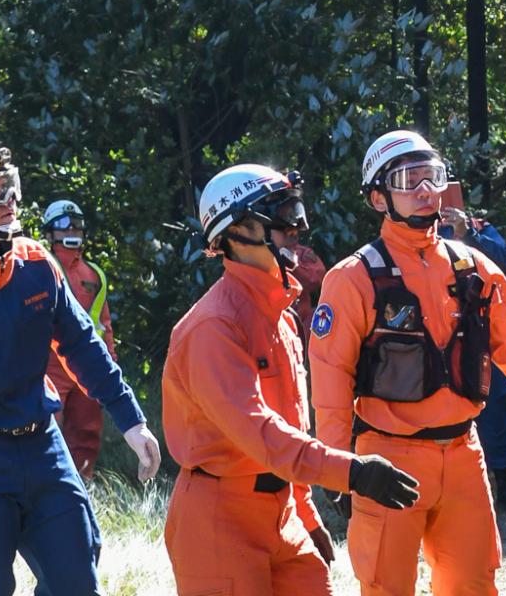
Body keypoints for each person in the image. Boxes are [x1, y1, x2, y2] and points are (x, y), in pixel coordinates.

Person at [309, 128, 506, 596]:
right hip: (387, 456)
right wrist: (339, 470)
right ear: (379, 198)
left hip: (463, 455)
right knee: (385, 586)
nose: (423, 190)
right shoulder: (352, 279)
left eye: (431, 177)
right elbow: (330, 383)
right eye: (407, 179)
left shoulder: (474, 268)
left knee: (474, 586)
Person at [161, 162, 419, 596]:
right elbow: (261, 433)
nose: (296, 229)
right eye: (282, 217)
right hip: (218, 524)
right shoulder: (213, 328)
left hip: (283, 516)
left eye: (295, 212)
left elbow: (292, 427)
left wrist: (304, 510)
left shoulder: (280, 317)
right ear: (238, 231)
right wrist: (351, 472)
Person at [0, 134, 161, 595]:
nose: (11, 200)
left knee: (78, 584)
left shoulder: (37, 261)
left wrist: (131, 419)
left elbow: (83, 343)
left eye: (11, 184)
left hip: (44, 447)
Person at [437, 199, 506, 513]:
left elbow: (504, 260)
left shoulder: (477, 226)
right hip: (439, 339)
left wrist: (468, 234)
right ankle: (453, 497)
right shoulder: (415, 232)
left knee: (496, 414)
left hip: (480, 335)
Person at [41, 198, 116, 480]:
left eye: (77, 224)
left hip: (85, 366)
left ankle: (83, 484)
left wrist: (109, 363)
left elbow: (103, 324)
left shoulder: (94, 275)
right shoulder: (40, 266)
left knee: (87, 430)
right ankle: (46, 487)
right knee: (48, 428)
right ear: (49, 233)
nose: (71, 229)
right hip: (47, 366)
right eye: (63, 224)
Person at [274, 174, 327, 343]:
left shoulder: (303, 253)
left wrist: (291, 264)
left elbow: (316, 279)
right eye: (284, 220)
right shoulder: (256, 258)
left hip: (302, 323)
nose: (292, 230)